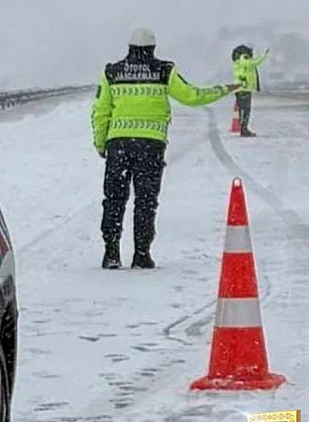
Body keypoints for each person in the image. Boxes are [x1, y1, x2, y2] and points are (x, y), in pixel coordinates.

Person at [91, 28, 242, 270]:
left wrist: (100, 143)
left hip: (118, 144)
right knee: (146, 200)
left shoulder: (112, 72)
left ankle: (111, 252)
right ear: (152, 48)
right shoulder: (164, 71)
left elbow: (100, 111)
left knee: (114, 199)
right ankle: (141, 253)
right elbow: (192, 96)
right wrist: (223, 89)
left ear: (129, 47)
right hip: (150, 145)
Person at [231, 44, 270, 137]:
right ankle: (244, 130)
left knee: (242, 109)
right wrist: (264, 55)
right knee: (246, 109)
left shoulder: (238, 61)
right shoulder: (244, 58)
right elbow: (253, 63)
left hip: (240, 88)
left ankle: (243, 128)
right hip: (244, 88)